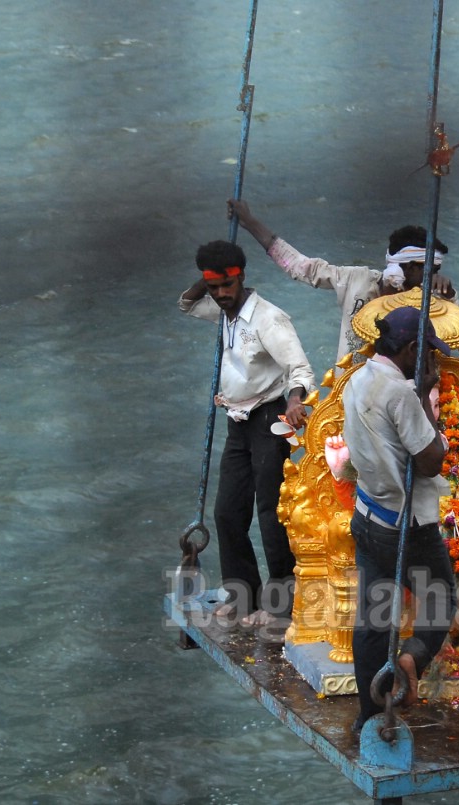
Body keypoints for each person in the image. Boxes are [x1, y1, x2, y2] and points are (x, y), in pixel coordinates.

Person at [178, 240, 315, 626]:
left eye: (228, 284)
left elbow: (299, 369)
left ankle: (282, 604)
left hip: (270, 417)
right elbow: (187, 304)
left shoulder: (269, 319)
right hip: (238, 420)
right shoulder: (222, 310)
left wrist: (295, 400)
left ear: (242, 278)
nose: (221, 294)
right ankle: (243, 597)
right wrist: (208, 280)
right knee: (227, 513)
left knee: (272, 512)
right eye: (214, 286)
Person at [342, 305, 456, 733]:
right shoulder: (400, 393)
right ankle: (411, 658)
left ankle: (369, 716)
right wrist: (426, 397)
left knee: (373, 619)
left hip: (368, 515)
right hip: (405, 527)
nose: (431, 361)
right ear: (412, 349)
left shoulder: (358, 379)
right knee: (441, 598)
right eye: (427, 352)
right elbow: (431, 462)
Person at [227, 199, 457, 363]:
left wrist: (449, 296)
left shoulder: (433, 299)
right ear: (407, 267)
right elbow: (300, 267)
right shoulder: (356, 280)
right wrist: (249, 222)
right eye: (431, 269)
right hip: (347, 395)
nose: (434, 275)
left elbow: (454, 337)